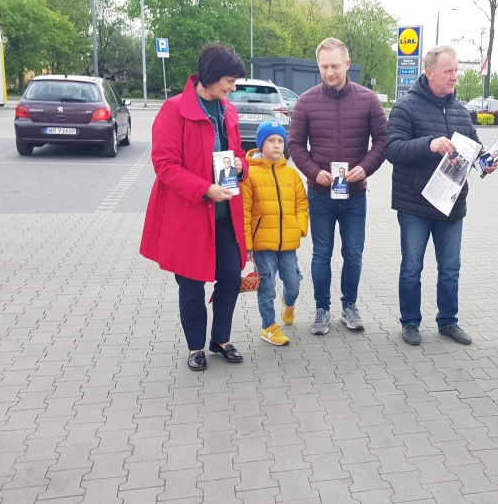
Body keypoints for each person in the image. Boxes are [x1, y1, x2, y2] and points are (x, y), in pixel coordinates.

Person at [141, 43, 249, 371]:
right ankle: (195, 346)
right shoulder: (174, 110)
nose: (232, 88)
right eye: (230, 81)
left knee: (230, 277)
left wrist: (241, 166)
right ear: (212, 76)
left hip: (225, 214)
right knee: (191, 284)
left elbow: (237, 153)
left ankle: (221, 339)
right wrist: (204, 189)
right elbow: (165, 164)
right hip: (189, 214)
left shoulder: (228, 111)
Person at [384, 45, 498, 347]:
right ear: (430, 72)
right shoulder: (405, 107)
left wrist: (485, 163)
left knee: (450, 269)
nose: (454, 77)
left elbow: (474, 149)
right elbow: (392, 149)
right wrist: (429, 144)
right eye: (449, 71)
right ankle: (410, 321)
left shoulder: (460, 110)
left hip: (452, 205)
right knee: (412, 268)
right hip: (415, 205)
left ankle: (448, 321)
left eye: (456, 71)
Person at [289, 37, 388, 335]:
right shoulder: (306, 101)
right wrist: (313, 172)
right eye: (324, 67)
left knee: (353, 254)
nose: (330, 72)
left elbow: (383, 141)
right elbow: (295, 145)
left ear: (347, 64)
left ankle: (349, 306)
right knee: (321, 254)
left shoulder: (368, 99)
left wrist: (365, 168)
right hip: (320, 194)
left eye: (335, 66)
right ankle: (322, 309)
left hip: (355, 195)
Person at [240, 120, 309, 346]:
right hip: (262, 245)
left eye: (280, 140)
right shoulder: (249, 175)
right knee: (266, 287)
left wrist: (300, 227)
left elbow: (302, 204)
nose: (277, 145)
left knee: (293, 283)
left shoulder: (292, 174)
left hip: (288, 243)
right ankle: (268, 326)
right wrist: (248, 244)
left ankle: (289, 304)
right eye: (271, 140)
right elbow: (244, 211)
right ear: (261, 144)